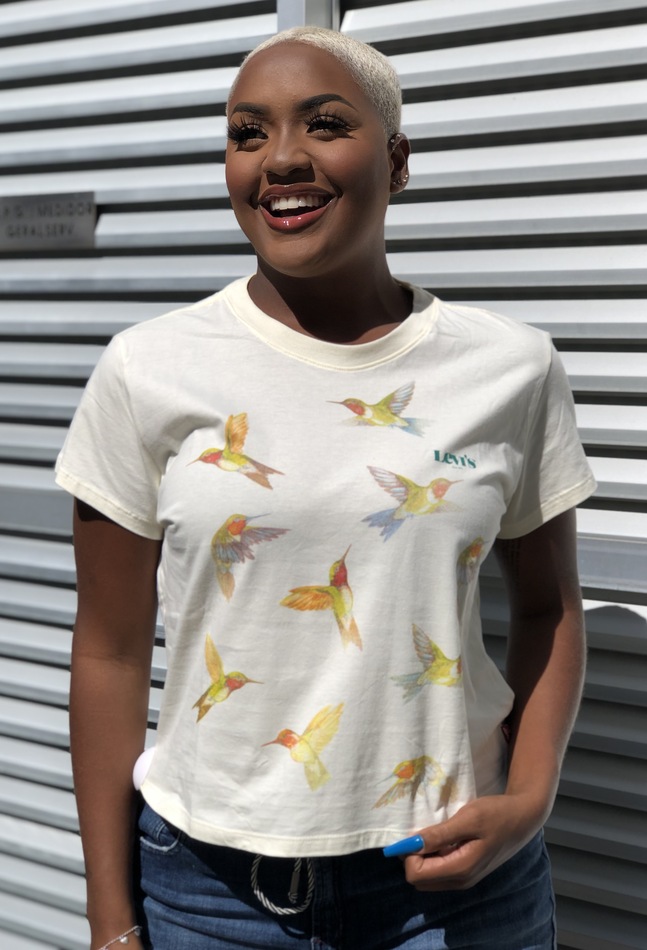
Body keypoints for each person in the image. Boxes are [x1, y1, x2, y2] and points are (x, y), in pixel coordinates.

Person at [56, 26, 597, 950]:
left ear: (397, 161)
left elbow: (548, 608)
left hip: (456, 888)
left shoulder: (510, 366)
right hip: (210, 896)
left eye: (325, 123)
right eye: (248, 133)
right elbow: (108, 652)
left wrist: (529, 799)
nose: (281, 159)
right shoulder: (146, 369)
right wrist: (112, 921)